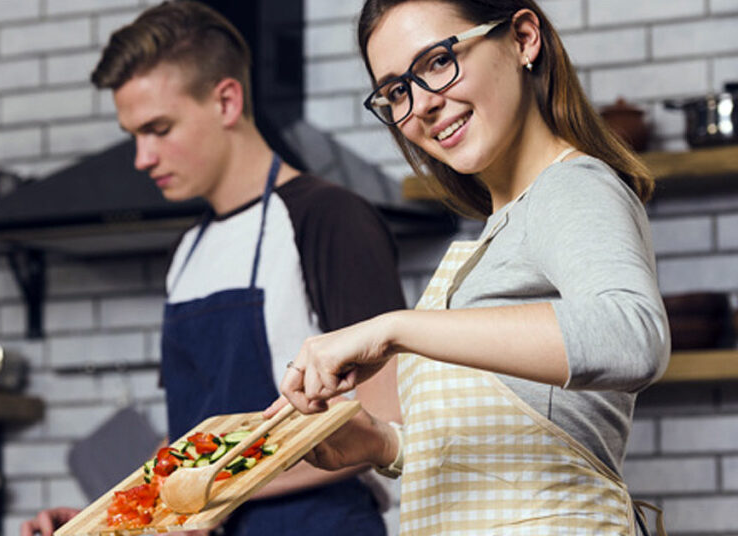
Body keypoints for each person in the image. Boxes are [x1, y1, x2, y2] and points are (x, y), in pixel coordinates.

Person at [268, 0, 670, 534]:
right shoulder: (502, 226)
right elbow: (518, 454)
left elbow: (632, 334)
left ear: (524, 38)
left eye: (437, 61)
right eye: (396, 91)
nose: (421, 105)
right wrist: (384, 443)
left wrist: (393, 330)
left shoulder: (572, 188)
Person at [21, 2, 406, 535]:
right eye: (134, 134)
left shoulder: (327, 219)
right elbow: (191, 446)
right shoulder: (189, 253)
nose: (142, 157)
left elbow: (386, 418)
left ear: (227, 100)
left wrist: (204, 498)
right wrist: (115, 513)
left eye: (158, 128)